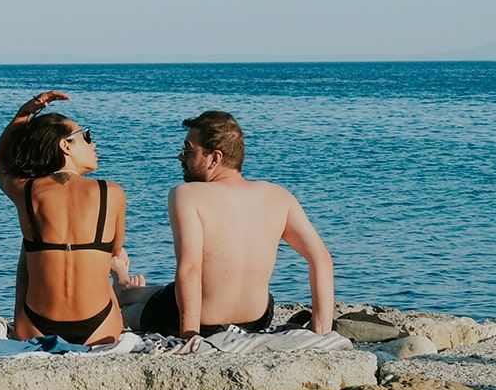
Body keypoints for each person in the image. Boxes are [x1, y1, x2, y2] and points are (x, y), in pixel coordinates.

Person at [116, 111, 335, 337]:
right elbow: (321, 258)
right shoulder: (279, 196)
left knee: (131, 314)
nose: (181, 157)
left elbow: (190, 269)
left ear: (215, 158)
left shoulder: (187, 195)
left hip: (201, 322)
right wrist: (321, 331)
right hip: (256, 319)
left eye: (188, 150)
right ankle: (129, 290)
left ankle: (125, 292)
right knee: (189, 288)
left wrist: (190, 336)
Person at [0, 91, 126, 345]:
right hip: (100, 327)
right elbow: (115, 252)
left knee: (30, 244)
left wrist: (24, 113)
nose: (93, 144)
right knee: (102, 254)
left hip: (35, 326)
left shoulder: (26, 190)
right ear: (65, 146)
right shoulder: (111, 192)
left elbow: (1, 159)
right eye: (86, 137)